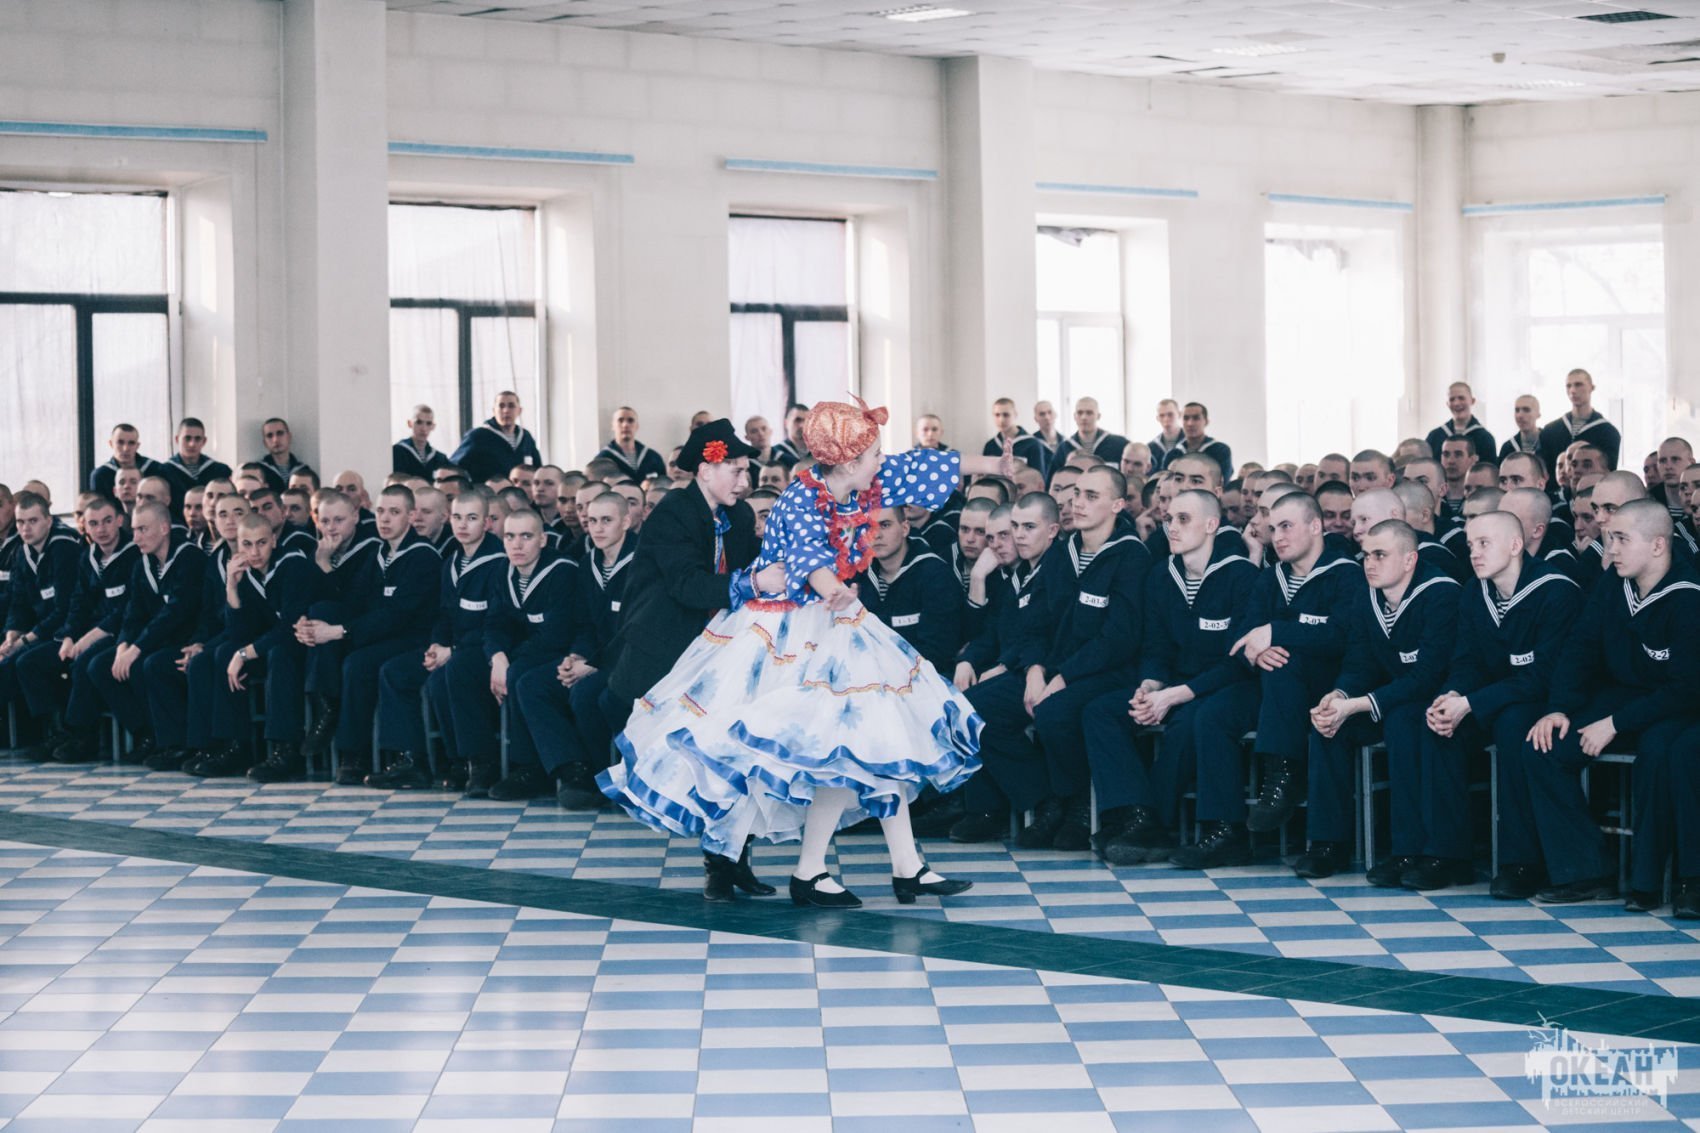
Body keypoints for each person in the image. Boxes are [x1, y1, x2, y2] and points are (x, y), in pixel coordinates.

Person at [602, 404, 1010, 908]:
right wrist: (831, 590)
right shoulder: (798, 498)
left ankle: (900, 866)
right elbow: (805, 555)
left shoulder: (861, 483)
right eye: (873, 454)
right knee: (827, 742)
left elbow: (918, 466)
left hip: (831, 619)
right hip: (789, 628)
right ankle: (800, 868)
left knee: (865, 734)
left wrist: (992, 466)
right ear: (849, 461)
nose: (881, 462)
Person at [1169, 492, 1365, 868]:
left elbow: (1342, 636)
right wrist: (1256, 651)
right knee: (1212, 714)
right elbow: (1240, 638)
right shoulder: (1270, 577)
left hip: (1327, 687)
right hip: (1271, 688)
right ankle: (1224, 831)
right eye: (1273, 529)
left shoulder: (1346, 574)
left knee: (1286, 666)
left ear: (1315, 526)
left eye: (1287, 526)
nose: (1278, 537)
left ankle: (1284, 777)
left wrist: (1275, 632)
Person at [963, 465, 1150, 852]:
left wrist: (1061, 677)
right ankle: (1043, 798)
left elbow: (1118, 639)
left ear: (1117, 505)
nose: (1078, 503)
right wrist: (1035, 671)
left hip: (1109, 671)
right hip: (1052, 668)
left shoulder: (1131, 556)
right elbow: (1036, 624)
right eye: (1077, 493)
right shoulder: (1064, 552)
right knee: (973, 708)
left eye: (1091, 496)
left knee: (1055, 711)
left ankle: (1078, 805)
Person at [1525, 500, 1700, 908]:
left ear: (1658, 545)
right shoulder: (1613, 584)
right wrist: (1559, 708)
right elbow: (1580, 648)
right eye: (1609, 539)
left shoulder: (1689, 596)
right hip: (1625, 698)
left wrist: (1615, 723)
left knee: (1661, 752)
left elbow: (1686, 688)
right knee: (1543, 747)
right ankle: (1586, 871)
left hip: (1677, 706)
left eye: (1621, 539)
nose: (1611, 549)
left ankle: (1663, 882)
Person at [1086, 489, 1258, 864]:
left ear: (1211, 525)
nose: (1172, 528)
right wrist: (1150, 686)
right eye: (1168, 519)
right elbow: (1156, 647)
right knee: (1101, 711)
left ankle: (1165, 825)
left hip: (1228, 686)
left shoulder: (1242, 575)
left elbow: (1239, 661)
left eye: (1183, 519)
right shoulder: (1161, 575)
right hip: (1176, 684)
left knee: (1191, 721)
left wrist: (1176, 695)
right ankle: (1136, 813)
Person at [1428, 511, 1580, 899]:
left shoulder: (1556, 590)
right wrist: (1452, 695)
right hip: (1491, 698)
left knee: (1513, 725)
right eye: (1470, 546)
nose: (1474, 554)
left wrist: (1470, 702)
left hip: (1546, 703)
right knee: (1435, 726)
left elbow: (1543, 675)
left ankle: (1522, 863)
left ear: (1515, 545)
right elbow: (1467, 661)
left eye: (1484, 543)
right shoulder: (1474, 591)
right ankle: (1447, 856)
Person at [1302, 520, 1461, 884]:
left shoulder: (1442, 593)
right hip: (1390, 699)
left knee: (1404, 721)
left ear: (1409, 560)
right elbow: (1359, 662)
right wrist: (1340, 695)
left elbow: (1428, 677)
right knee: (1329, 724)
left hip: (1437, 701)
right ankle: (1327, 844)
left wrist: (1359, 704)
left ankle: (1418, 852)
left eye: (1380, 555)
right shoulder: (1367, 596)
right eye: (1366, 555)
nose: (1369, 564)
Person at [287, 485, 441, 785]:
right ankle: (332, 716)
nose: (385, 519)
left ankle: (402, 759)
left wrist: (338, 632)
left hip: (414, 638)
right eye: (381, 511)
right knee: (324, 610)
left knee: (360, 664)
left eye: (394, 512)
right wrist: (311, 624)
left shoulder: (423, 556)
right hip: (383, 635)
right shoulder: (380, 553)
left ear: (411, 516)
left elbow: (398, 616)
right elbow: (353, 602)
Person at [367, 489, 505, 791]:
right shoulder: (451, 562)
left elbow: (494, 623)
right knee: (396, 671)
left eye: (472, 518)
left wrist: (452, 650)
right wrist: (436, 645)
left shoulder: (499, 563)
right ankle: (415, 760)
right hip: (452, 649)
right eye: (457, 517)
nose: (463, 525)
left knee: (452, 674)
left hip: (486, 651)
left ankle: (481, 762)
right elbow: (444, 615)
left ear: (487, 523)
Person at [510, 490, 638, 808]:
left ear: (626, 521)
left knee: (584, 693)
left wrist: (593, 664)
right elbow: (584, 624)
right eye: (592, 521)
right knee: (532, 684)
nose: (597, 528)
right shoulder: (587, 563)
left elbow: (638, 630)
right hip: (594, 659)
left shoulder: (642, 563)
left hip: (632, 661)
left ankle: (601, 776)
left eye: (606, 520)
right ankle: (572, 768)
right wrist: (577, 655)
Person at [447, 508, 580, 800]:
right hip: (519, 653)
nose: (517, 545)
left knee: (520, 675)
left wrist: (510, 660)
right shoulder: (502, 570)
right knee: (461, 667)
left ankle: (528, 768)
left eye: (526, 536)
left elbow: (556, 634)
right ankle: (481, 763)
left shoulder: (562, 571)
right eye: (510, 536)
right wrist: (497, 657)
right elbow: (495, 623)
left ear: (542, 540)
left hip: (557, 653)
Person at [185, 511, 315, 777]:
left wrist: (244, 654)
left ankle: (286, 750)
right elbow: (240, 632)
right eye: (247, 544)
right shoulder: (248, 573)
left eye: (261, 543)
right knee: (223, 653)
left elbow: (289, 627)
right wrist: (231, 587)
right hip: (276, 642)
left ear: (274, 541)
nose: (254, 552)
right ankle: (234, 746)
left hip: (311, 644)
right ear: (238, 544)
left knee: (278, 654)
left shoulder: (294, 565)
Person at [16, 495, 139, 763]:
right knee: (30, 662)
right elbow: (77, 603)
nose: (101, 529)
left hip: (121, 633)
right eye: (93, 523)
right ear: (85, 526)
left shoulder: (134, 555)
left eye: (107, 521)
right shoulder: (88, 557)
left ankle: (82, 736)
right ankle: (55, 732)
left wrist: (87, 639)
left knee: (85, 662)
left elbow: (127, 610)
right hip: (88, 632)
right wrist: (69, 636)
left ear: (120, 520)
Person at [857, 507, 963, 675]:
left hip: (924, 677)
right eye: (869, 527)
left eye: (885, 525)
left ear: (905, 528)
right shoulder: (859, 575)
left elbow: (938, 650)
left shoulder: (936, 575)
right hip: (868, 674)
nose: (876, 535)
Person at [1539, 368, 1621, 476]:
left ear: (1591, 387)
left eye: (1578, 385)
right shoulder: (1550, 431)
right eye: (1569, 386)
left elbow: (1609, 472)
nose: (1573, 390)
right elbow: (1543, 471)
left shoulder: (1608, 433)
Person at [451, 390, 541, 484]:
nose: (506, 410)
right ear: (494, 410)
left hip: (519, 492)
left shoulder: (526, 437)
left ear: (519, 410)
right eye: (501, 406)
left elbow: (537, 469)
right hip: (489, 491)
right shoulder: (478, 436)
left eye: (511, 406)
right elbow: (455, 467)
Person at [158, 418, 232, 519]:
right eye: (187, 438)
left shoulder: (220, 471)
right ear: (177, 439)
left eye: (197, 439)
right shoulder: (163, 472)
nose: (192, 444)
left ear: (204, 441)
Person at [1425, 382, 1497, 465]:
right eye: (1452, 399)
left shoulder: (1485, 439)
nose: (1456, 403)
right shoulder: (1435, 436)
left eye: (1461, 398)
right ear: (1447, 404)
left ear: (1472, 401)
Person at [88, 423, 162, 497]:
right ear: (111, 444)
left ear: (137, 446)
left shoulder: (155, 469)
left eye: (131, 443)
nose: (126, 448)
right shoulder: (101, 475)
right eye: (120, 442)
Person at [597, 406, 667, 482]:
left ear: (637, 426)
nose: (625, 425)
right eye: (620, 420)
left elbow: (663, 484)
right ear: (613, 426)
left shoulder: (653, 457)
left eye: (630, 420)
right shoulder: (603, 459)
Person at [982, 397, 1047, 477]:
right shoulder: (990, 445)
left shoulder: (1032, 444)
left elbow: (1039, 478)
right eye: (997, 415)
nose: (1001, 420)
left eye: (1006, 415)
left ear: (1015, 415)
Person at [1057, 396, 1128, 467]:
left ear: (1098, 416)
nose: (1084, 417)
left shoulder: (1119, 444)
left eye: (1089, 413)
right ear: (1074, 416)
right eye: (1079, 413)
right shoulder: (1064, 449)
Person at [1171, 402, 1233, 481]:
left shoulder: (1220, 451)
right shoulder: (1173, 454)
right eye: (1186, 418)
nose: (1190, 423)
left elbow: (1223, 482)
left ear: (1206, 421)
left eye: (1196, 418)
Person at [393, 404, 451, 479]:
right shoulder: (397, 452)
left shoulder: (439, 458)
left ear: (433, 426)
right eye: (419, 422)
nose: (424, 428)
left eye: (428, 423)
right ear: (410, 423)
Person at [256, 417, 304, 494]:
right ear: (265, 443)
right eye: (269, 436)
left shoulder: (303, 470)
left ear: (289, 437)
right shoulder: (258, 470)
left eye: (280, 433)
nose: (275, 440)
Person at [1500, 395, 1543, 460]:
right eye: (1517, 410)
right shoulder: (1508, 448)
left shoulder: (1549, 443)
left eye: (1526, 410)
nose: (1520, 415)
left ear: (1538, 414)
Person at [1148, 398, 1184, 470]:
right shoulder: (1151, 447)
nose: (1166, 419)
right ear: (1157, 418)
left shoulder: (1190, 443)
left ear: (1179, 414)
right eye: (1162, 415)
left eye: (1170, 415)